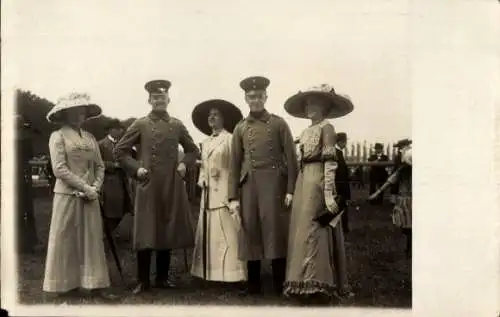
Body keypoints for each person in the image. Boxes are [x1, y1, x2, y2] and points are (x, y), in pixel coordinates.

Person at [113, 79, 199, 294]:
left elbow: (192, 150)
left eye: (162, 97)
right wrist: (136, 168)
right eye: (155, 97)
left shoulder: (177, 124)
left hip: (171, 184)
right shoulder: (141, 124)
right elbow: (120, 151)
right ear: (149, 100)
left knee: (167, 228)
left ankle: (162, 278)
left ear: (168, 99)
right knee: (146, 231)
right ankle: (143, 280)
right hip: (148, 183)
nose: (159, 100)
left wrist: (183, 164)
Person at [282, 84, 354, 304]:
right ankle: (300, 280)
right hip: (304, 180)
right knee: (301, 228)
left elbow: (331, 162)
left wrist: (329, 195)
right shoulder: (304, 132)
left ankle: (317, 282)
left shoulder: (327, 128)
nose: (309, 107)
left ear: (325, 107)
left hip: (318, 181)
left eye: (314, 103)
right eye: (307, 103)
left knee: (316, 227)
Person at [228, 76, 298, 296]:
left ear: (266, 97)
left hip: (275, 185)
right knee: (251, 232)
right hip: (249, 187)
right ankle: (254, 285)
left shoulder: (279, 124)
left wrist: (290, 189)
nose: (255, 100)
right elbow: (234, 163)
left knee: (275, 232)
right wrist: (233, 197)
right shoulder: (240, 128)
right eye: (251, 97)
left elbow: (291, 158)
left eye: (259, 96)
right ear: (246, 99)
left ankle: (279, 283)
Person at [42, 93, 116, 300]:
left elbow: (100, 166)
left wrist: (95, 187)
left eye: (81, 111)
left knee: (92, 239)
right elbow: (59, 169)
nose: (78, 115)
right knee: (67, 239)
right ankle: (65, 286)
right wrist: (84, 186)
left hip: (90, 195)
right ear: (65, 114)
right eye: (73, 111)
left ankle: (95, 284)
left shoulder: (90, 138)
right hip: (67, 195)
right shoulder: (57, 136)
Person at [190, 99, 246, 283]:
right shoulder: (205, 142)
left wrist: (233, 191)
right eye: (209, 115)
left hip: (224, 190)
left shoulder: (230, 139)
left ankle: (233, 274)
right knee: (210, 231)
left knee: (227, 230)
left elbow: (236, 166)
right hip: (208, 192)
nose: (211, 117)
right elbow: (204, 167)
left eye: (216, 114)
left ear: (224, 119)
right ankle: (209, 272)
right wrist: (203, 179)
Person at [370, 139, 412, 258]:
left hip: (410, 197)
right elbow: (392, 179)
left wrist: (377, 192)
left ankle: (410, 249)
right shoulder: (403, 168)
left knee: (410, 225)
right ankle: (409, 248)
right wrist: (377, 192)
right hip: (405, 197)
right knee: (406, 225)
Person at [98, 119, 131, 234]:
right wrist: (114, 165)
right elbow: (97, 163)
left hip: (123, 181)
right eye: (118, 129)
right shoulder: (101, 144)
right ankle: (106, 234)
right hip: (109, 181)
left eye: (121, 129)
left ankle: (109, 233)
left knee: (123, 209)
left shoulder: (123, 144)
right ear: (111, 130)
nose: (120, 131)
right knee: (111, 211)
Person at [15, 115, 38, 253]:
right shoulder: (26, 140)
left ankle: (22, 243)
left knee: (19, 211)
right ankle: (29, 242)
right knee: (27, 211)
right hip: (24, 178)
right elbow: (30, 157)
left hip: (17, 179)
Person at [334, 132, 351, 234]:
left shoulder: (338, 152)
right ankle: (343, 229)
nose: (345, 144)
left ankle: (343, 228)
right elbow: (340, 172)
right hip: (340, 185)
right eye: (345, 142)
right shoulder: (337, 153)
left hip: (340, 184)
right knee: (342, 207)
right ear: (340, 142)